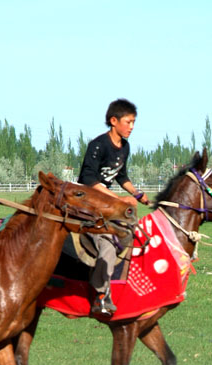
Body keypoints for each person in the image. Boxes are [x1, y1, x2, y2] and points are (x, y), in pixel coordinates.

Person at [77, 98, 149, 316]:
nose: (132, 127)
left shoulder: (124, 147)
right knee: (107, 243)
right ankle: (101, 295)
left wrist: (138, 195)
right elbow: (88, 179)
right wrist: (118, 200)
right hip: (88, 203)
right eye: (128, 122)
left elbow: (121, 176)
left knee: (138, 232)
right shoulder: (98, 145)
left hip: (108, 204)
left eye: (134, 122)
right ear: (114, 121)